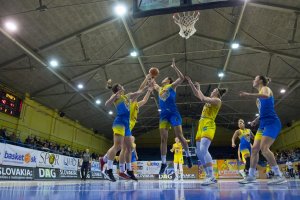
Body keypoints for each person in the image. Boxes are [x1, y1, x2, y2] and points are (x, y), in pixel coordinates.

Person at [239, 75, 286, 185]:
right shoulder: (258, 99)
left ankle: (279, 175)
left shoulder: (265, 89)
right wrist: (256, 119)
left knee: (264, 148)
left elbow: (265, 95)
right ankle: (251, 176)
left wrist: (249, 94)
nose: (253, 80)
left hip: (272, 123)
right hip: (263, 124)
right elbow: (262, 112)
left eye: (255, 78)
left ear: (260, 80)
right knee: (254, 149)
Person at [186, 76, 227, 186]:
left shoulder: (217, 100)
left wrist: (199, 88)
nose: (213, 90)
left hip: (209, 124)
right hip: (201, 124)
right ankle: (209, 175)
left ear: (218, 93)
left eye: (214, 90)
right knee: (199, 153)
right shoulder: (210, 99)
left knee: (204, 149)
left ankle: (211, 175)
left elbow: (203, 98)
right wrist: (191, 83)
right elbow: (198, 95)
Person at [153, 59, 193, 175]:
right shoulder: (160, 89)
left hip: (173, 113)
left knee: (179, 136)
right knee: (163, 139)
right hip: (164, 115)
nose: (163, 79)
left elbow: (181, 78)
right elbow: (153, 84)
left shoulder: (172, 86)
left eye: (165, 78)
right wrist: (151, 76)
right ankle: (164, 163)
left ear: (169, 80)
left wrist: (174, 67)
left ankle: (188, 156)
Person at [100, 83, 144, 182]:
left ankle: (129, 171)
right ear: (118, 88)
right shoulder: (116, 96)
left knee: (130, 148)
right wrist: (115, 96)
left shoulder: (127, 96)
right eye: (120, 85)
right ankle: (109, 169)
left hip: (126, 124)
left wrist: (147, 87)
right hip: (119, 122)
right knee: (118, 146)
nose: (123, 86)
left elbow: (139, 92)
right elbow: (107, 104)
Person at [118, 77, 152, 181]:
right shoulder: (132, 101)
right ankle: (121, 170)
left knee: (126, 149)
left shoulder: (137, 105)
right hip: (125, 124)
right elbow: (140, 89)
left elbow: (145, 100)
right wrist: (146, 79)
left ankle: (126, 171)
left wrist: (149, 91)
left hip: (129, 126)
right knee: (123, 148)